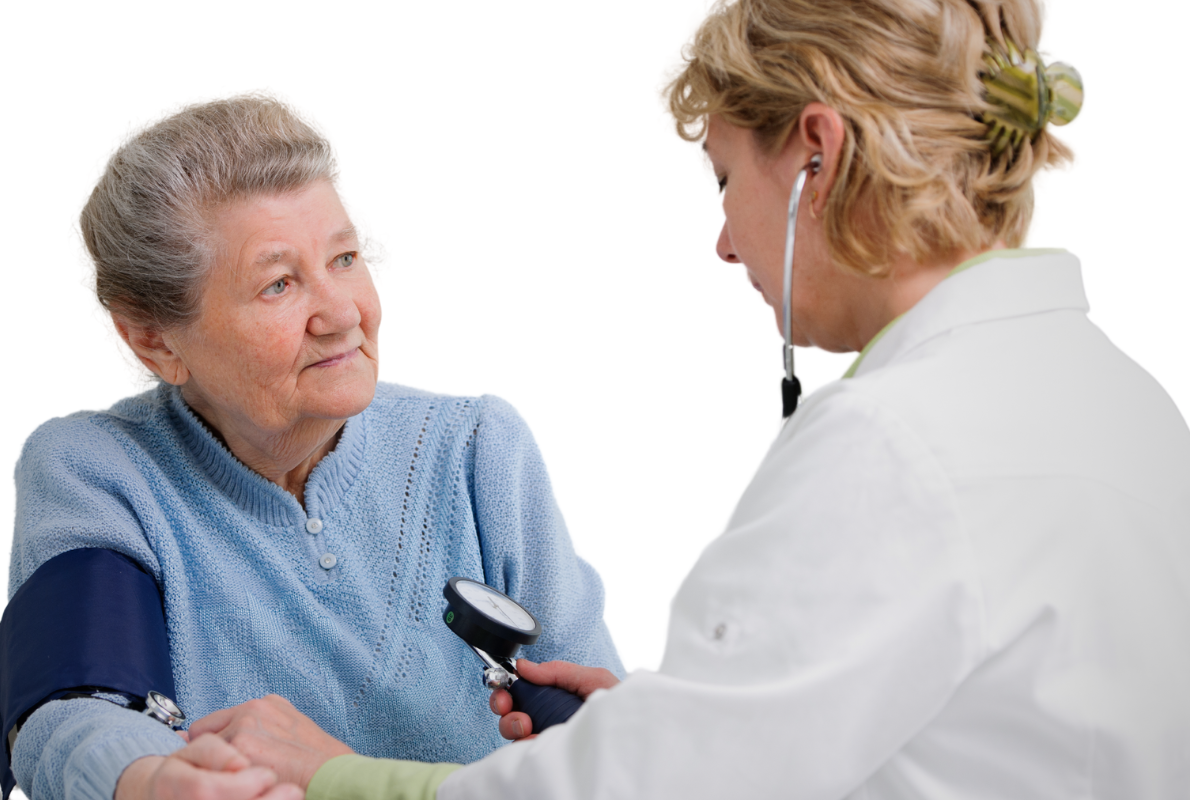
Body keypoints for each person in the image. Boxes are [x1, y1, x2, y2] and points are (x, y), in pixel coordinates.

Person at [190, 0, 1190, 797]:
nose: (723, 240)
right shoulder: (1119, 400)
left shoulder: (892, 440)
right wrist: (672, 721)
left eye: (722, 179)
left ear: (813, 152)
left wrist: (336, 774)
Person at [2, 96, 622, 800]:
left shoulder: (475, 453)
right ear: (154, 339)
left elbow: (611, 739)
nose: (342, 314)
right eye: (279, 284)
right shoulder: (100, 472)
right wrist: (155, 780)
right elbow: (76, 707)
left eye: (346, 257)